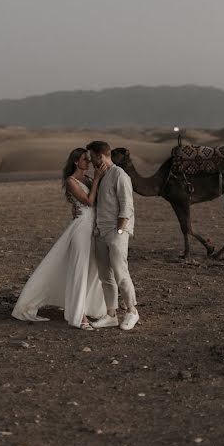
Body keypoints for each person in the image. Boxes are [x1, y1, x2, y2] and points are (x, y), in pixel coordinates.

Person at [12, 148, 109, 330]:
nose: (88, 163)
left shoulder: (87, 179)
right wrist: (96, 179)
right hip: (81, 229)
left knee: (93, 269)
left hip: (94, 228)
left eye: (89, 160)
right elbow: (88, 201)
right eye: (84, 160)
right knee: (79, 269)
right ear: (75, 162)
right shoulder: (71, 181)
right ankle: (79, 316)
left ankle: (88, 307)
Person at [86, 140, 139, 331]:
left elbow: (127, 206)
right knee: (105, 276)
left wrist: (119, 231)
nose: (91, 161)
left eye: (92, 157)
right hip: (100, 232)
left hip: (116, 232)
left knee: (120, 273)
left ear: (100, 156)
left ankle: (132, 311)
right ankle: (111, 315)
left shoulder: (119, 175)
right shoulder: (102, 176)